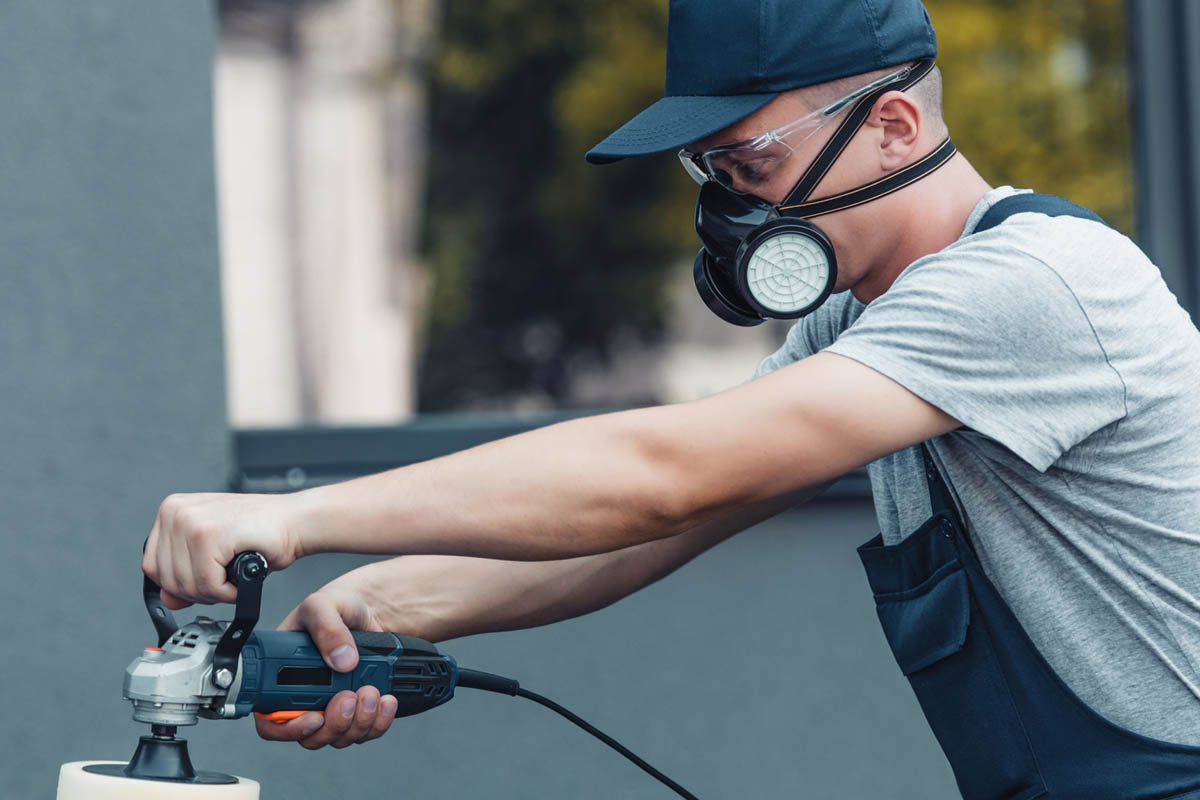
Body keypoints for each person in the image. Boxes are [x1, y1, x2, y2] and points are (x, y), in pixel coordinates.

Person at [145, 0, 1200, 794]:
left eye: (751, 163)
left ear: (890, 126)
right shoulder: (862, 328)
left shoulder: (1033, 287)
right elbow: (644, 529)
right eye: (710, 174)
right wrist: (372, 608)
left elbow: (660, 476)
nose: (731, 211)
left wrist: (299, 515)